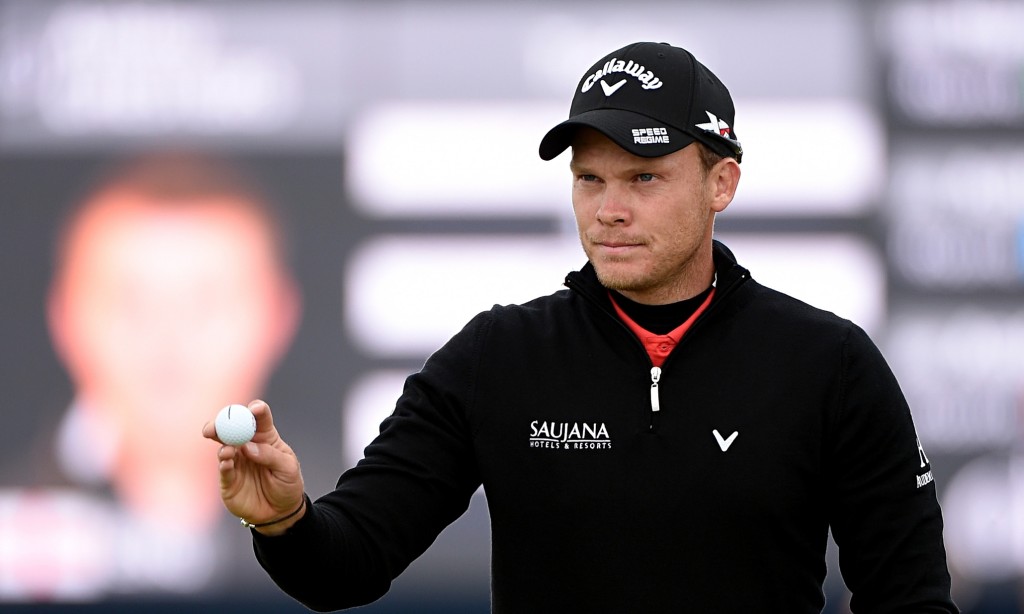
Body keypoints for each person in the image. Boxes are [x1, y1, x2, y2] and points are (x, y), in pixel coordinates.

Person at [204, 42, 958, 612]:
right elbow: (351, 563)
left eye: (644, 178)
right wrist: (285, 522)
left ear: (721, 180)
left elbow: (911, 599)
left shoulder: (828, 364)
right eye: (590, 179)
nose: (609, 209)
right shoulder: (497, 357)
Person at [31, 152, 302, 595]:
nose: (168, 340)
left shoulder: (357, 525)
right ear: (64, 316)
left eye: (207, 302)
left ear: (277, 316)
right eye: (130, 301)